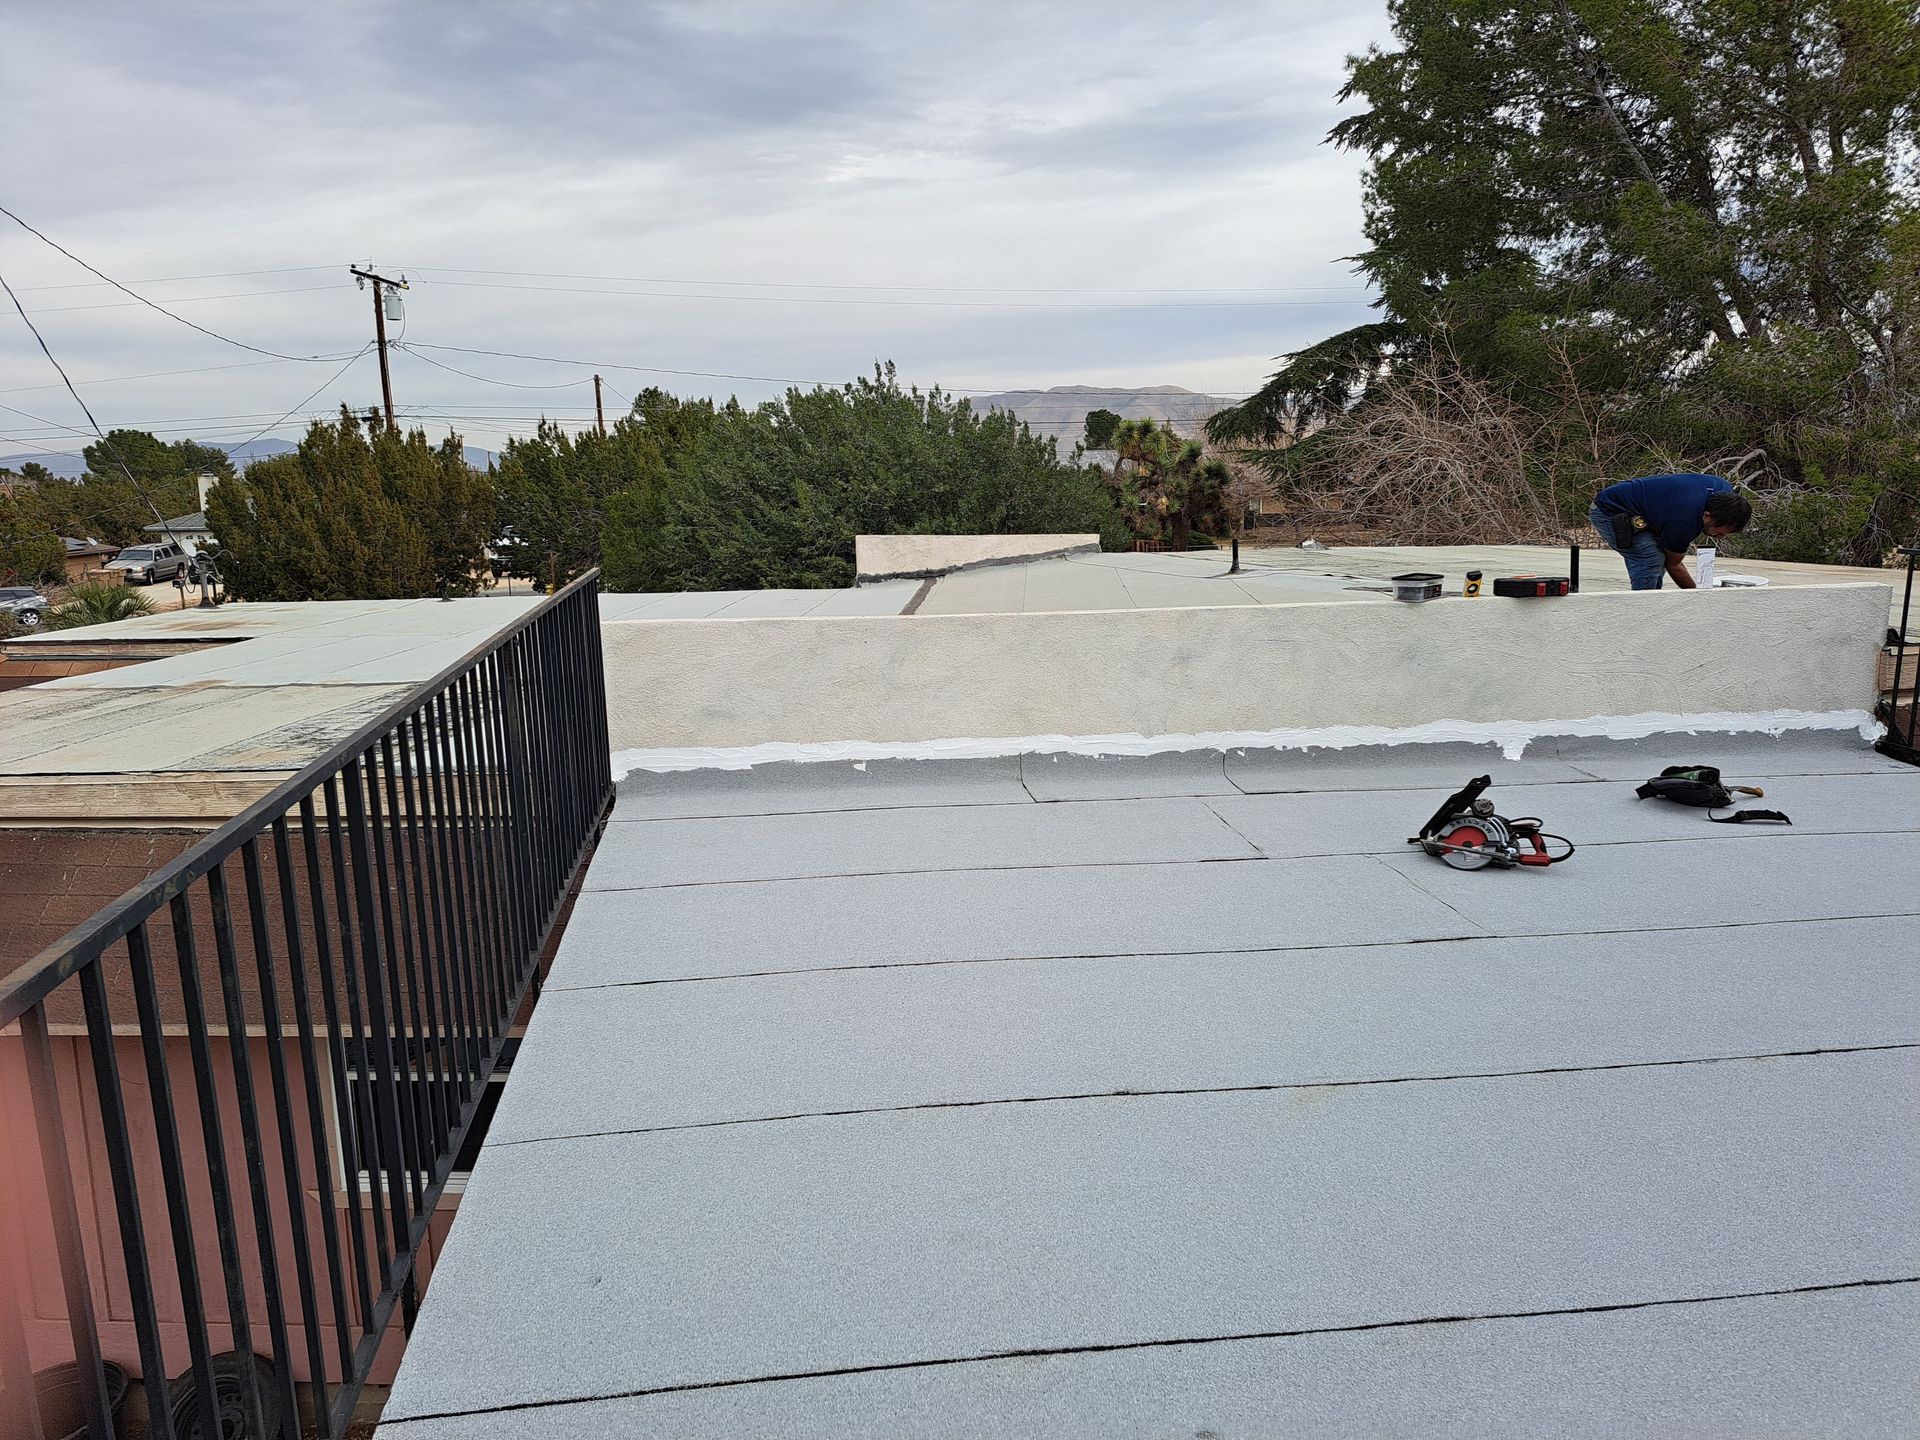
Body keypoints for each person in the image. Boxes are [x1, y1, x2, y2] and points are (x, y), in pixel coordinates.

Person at [1589, 472, 1752, 590]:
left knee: (1658, 559)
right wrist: (1698, 597)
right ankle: (1642, 611)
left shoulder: (1726, 493)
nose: (1721, 537)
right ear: (1707, 516)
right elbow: (1673, 563)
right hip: (1610, 510)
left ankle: (1652, 600)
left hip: (1645, 510)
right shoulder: (1684, 520)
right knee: (1650, 559)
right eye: (1719, 532)